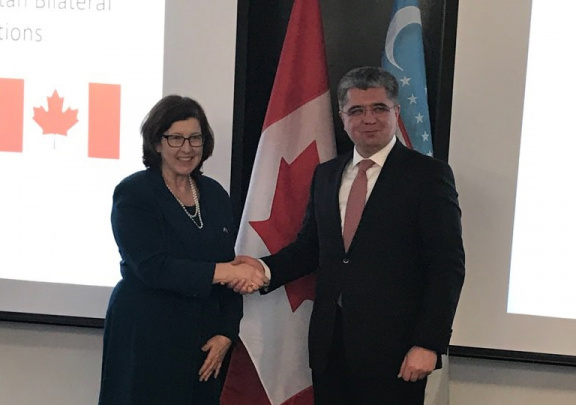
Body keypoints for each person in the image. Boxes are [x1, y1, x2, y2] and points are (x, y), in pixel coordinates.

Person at [232, 67, 465, 404]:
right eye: (356, 110)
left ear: (396, 112)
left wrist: (428, 343)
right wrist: (263, 269)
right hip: (330, 346)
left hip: (396, 351)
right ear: (342, 117)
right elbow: (311, 248)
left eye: (379, 108)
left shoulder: (428, 176)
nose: (368, 119)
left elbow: (447, 266)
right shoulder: (327, 175)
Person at [98, 95, 266, 405]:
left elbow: (228, 266)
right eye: (175, 138)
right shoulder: (135, 193)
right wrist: (225, 271)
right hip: (147, 333)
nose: (186, 148)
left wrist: (226, 333)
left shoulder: (214, 194)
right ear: (156, 142)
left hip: (204, 340)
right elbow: (152, 267)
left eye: (194, 138)